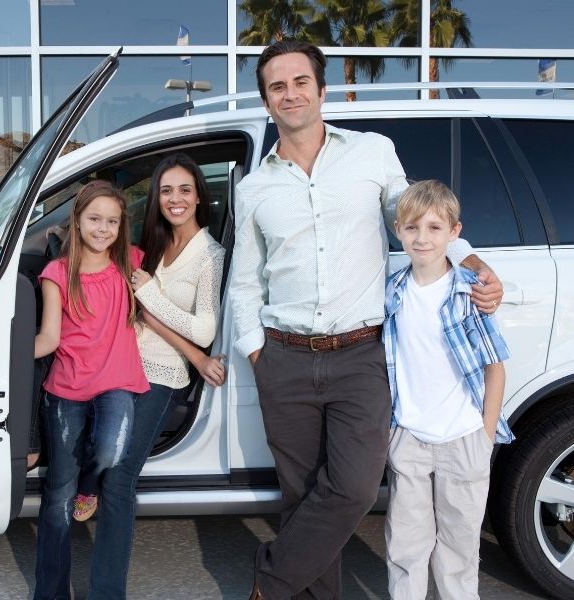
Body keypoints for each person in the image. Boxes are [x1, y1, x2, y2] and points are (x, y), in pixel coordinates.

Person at [229, 40, 504, 600]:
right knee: (302, 497)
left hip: (360, 355)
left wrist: (470, 261)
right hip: (284, 357)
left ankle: (270, 583)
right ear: (267, 101)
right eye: (277, 86)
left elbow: (417, 218)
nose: (291, 93)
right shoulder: (254, 188)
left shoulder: (373, 153)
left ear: (321, 90)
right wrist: (258, 352)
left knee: (352, 489)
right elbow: (243, 280)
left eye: (300, 81)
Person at [83, 153, 228, 598]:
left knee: (120, 477)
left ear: (199, 195)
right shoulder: (152, 240)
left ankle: (106, 593)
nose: (175, 199)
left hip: (162, 372)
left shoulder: (211, 255)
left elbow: (204, 329)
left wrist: (147, 294)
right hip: (118, 360)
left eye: (185, 189)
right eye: (166, 190)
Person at [382, 180, 512, 600]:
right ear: (398, 229)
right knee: (406, 546)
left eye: (435, 228)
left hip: (464, 438)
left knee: (459, 549)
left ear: (454, 233)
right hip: (410, 438)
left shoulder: (468, 292)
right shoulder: (392, 294)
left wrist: (485, 435)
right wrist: (393, 432)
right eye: (413, 228)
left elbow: (495, 366)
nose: (422, 238)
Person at [32, 180, 149, 600]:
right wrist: (1, 357)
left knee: (110, 450)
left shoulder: (130, 265)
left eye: (112, 221)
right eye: (95, 219)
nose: (103, 228)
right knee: (57, 499)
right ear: (77, 221)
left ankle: (90, 486)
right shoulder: (56, 273)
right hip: (66, 389)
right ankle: (49, 592)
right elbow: (48, 337)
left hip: (117, 381)